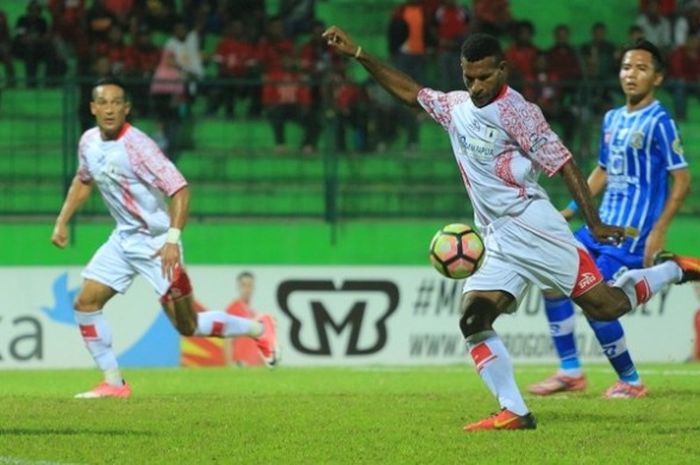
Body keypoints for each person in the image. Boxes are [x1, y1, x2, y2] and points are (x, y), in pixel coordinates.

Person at [322, 25, 700, 431]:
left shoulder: (518, 113)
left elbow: (565, 163)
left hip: (533, 226)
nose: (477, 85)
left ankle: (674, 269)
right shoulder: (456, 107)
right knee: (473, 318)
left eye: (485, 76)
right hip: (497, 238)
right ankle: (515, 411)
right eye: (469, 77)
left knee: (606, 306)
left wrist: (594, 222)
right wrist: (360, 52)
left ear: (502, 70)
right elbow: (411, 93)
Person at [51, 77, 279, 399]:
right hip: (123, 239)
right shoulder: (88, 142)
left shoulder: (138, 146)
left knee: (188, 326)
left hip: (158, 243)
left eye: (117, 103)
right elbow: (83, 179)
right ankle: (114, 383)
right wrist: (62, 221)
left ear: (127, 108)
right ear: (93, 108)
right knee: (85, 303)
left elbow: (179, 188)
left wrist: (172, 240)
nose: (110, 109)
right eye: (103, 102)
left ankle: (258, 328)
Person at [528, 39, 691, 399]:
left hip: (631, 233)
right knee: (551, 278)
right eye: (626, 67)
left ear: (658, 78)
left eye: (642, 68)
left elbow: (682, 178)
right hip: (597, 227)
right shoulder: (612, 118)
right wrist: (570, 210)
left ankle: (631, 381)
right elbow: (602, 171)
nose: (631, 75)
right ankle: (570, 371)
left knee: (595, 299)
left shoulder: (660, 121)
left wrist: (659, 230)